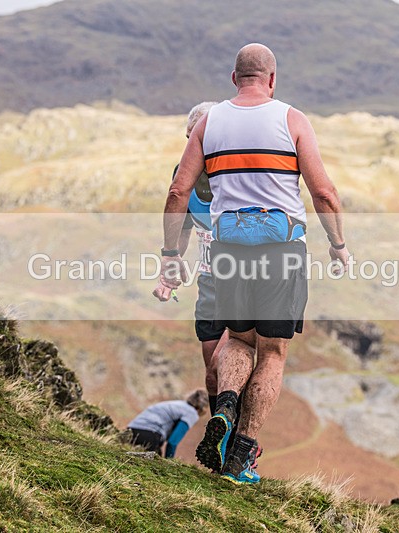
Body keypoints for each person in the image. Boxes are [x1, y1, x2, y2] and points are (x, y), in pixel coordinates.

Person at [159, 43, 350, 484]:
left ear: (234, 78)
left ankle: (225, 407)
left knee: (240, 342)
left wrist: (170, 256)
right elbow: (324, 193)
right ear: (272, 79)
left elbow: (178, 192)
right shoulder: (292, 119)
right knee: (273, 353)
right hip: (281, 251)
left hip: (228, 252)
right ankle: (240, 458)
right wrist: (338, 244)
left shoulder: (208, 123)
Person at [152, 102, 261, 468]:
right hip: (210, 282)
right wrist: (169, 267)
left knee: (228, 360)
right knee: (212, 374)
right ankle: (220, 445)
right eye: (189, 139)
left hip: (247, 279)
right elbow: (181, 227)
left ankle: (242, 451)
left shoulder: (242, 171)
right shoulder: (182, 174)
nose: (193, 147)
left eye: (200, 139)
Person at [124, 390, 208, 458]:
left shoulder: (178, 404)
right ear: (203, 407)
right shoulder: (191, 412)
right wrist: (169, 463)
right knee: (156, 464)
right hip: (149, 434)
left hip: (131, 431)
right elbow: (173, 441)